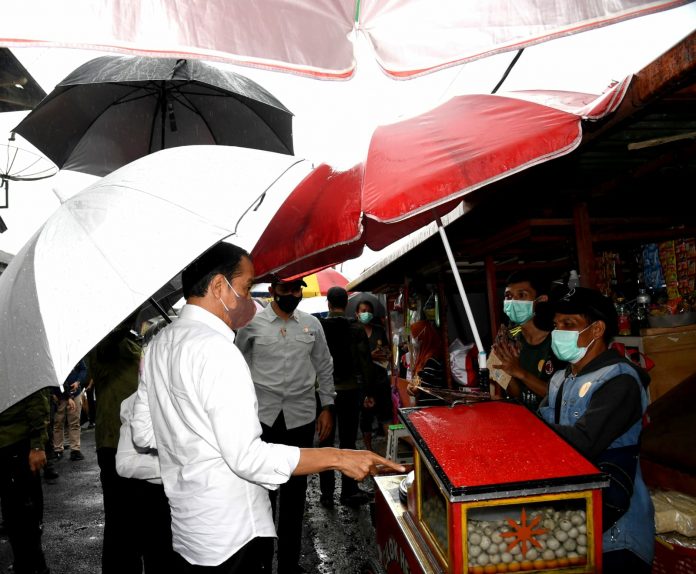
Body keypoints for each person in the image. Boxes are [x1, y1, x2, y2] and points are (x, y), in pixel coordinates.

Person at [131, 243, 402, 574]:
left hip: (189, 532)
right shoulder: (219, 352)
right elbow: (247, 459)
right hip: (232, 533)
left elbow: (143, 432)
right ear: (219, 286)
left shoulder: (158, 345)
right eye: (245, 287)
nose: (248, 299)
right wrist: (339, 457)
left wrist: (195, 438)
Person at [538, 287, 654, 573]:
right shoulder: (561, 379)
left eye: (569, 324)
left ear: (597, 329)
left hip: (616, 535)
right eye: (556, 325)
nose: (558, 332)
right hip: (574, 525)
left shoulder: (620, 380)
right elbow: (541, 427)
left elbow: (584, 441)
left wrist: (523, 428)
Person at [235, 273, 335, 574]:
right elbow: (236, 364)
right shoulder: (252, 324)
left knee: (294, 496)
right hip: (262, 419)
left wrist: (327, 405)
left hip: (301, 418)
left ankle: (289, 565)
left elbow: (324, 365)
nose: (291, 294)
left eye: (296, 289)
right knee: (263, 494)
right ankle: (263, 563)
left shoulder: (312, 325)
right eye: (285, 288)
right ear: (273, 291)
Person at [89, 316, 173, 573]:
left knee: (155, 522)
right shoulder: (102, 345)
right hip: (115, 443)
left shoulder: (136, 343)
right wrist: (121, 323)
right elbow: (104, 352)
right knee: (121, 524)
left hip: (147, 444)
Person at [317, 286, 375, 507]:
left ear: (329, 304)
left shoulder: (320, 327)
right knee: (349, 441)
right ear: (346, 303)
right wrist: (369, 391)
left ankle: (326, 494)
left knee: (326, 441)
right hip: (350, 391)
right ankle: (348, 491)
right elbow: (365, 362)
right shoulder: (356, 328)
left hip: (325, 393)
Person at [491, 270, 564, 409]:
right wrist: (506, 370)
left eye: (521, 295)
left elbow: (562, 397)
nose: (513, 302)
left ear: (541, 300)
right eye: (508, 296)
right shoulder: (510, 338)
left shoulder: (560, 341)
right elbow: (517, 396)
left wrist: (520, 372)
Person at [0, 388, 51, 574]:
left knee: (27, 512)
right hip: (4, 447)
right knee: (10, 513)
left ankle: (36, 565)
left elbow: (36, 398)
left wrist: (38, 444)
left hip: (19, 444)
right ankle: (23, 561)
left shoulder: (17, 363)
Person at [355, 299, 393, 451]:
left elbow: (387, 351)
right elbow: (353, 358)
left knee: (386, 415)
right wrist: (370, 356)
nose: (366, 313)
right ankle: (369, 450)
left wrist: (385, 354)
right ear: (356, 314)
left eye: (368, 310)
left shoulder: (379, 330)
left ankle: (391, 450)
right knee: (366, 418)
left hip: (381, 379)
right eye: (363, 310)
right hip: (364, 382)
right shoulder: (354, 331)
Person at [52, 358, 88, 461]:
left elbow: (83, 369)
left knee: (74, 422)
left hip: (75, 392)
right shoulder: (56, 355)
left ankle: (75, 450)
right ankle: (58, 449)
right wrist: (68, 397)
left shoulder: (75, 354)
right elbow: (57, 376)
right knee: (58, 423)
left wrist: (78, 381)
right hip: (59, 394)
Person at [406, 320, 446, 403]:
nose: (413, 340)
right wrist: (411, 386)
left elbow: (422, 387)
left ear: (422, 337)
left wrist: (411, 387)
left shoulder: (431, 360)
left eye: (414, 336)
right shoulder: (424, 358)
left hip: (432, 409)